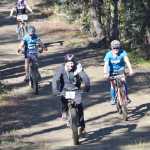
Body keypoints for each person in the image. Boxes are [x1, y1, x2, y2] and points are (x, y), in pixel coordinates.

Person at [52, 54, 90, 134]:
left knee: (79, 106)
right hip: (65, 89)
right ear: (65, 63)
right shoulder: (61, 69)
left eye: (72, 62)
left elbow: (85, 77)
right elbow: (55, 79)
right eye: (68, 63)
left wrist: (87, 86)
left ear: (75, 62)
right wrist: (54, 90)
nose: (71, 65)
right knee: (63, 99)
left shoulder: (78, 68)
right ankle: (64, 112)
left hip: (76, 89)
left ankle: (82, 126)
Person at [104, 40, 134, 105]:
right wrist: (105, 73)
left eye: (117, 48)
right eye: (114, 48)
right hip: (111, 71)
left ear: (119, 47)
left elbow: (127, 61)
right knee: (113, 85)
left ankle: (126, 96)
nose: (116, 49)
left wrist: (130, 70)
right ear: (111, 48)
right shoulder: (108, 54)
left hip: (121, 70)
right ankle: (113, 98)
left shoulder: (123, 52)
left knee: (123, 81)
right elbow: (106, 64)